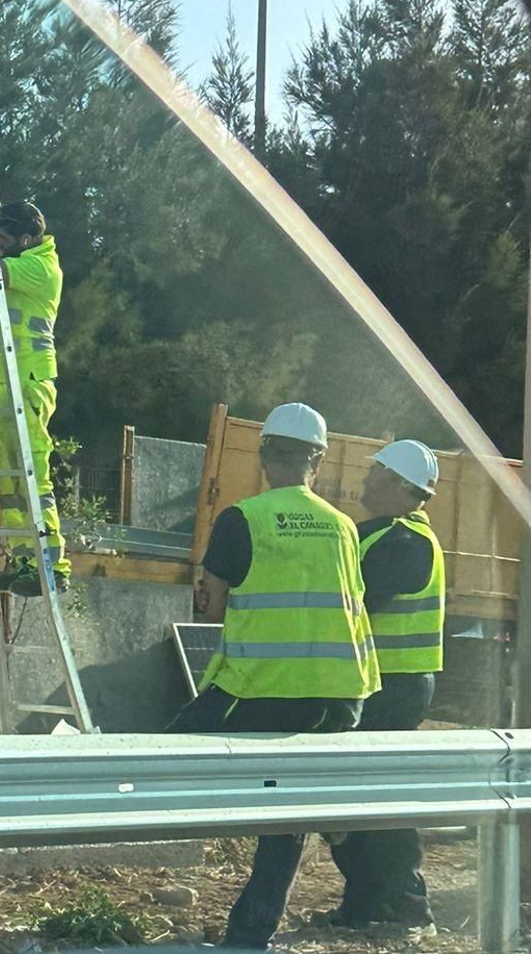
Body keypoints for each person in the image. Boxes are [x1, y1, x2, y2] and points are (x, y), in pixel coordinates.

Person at [173, 401, 378, 950]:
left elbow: (209, 611)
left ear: (265, 455)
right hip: (339, 696)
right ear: (320, 459)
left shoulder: (244, 518)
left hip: (259, 688)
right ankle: (250, 933)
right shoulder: (344, 527)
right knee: (287, 816)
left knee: (156, 758)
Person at [326, 439, 444, 932]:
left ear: (399, 484)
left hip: (392, 688)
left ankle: (403, 906)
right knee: (360, 799)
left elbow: (353, 603)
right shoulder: (385, 535)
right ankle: (367, 908)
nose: (366, 480)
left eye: (376, 472)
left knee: (377, 801)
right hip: (382, 683)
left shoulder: (405, 541)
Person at [0, 188, 66, 597]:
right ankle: (27, 560)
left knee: (32, 476)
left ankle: (52, 566)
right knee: (6, 479)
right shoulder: (22, 251)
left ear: (25, 241)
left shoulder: (40, 268)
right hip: (3, 380)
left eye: (6, 240)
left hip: (26, 380)